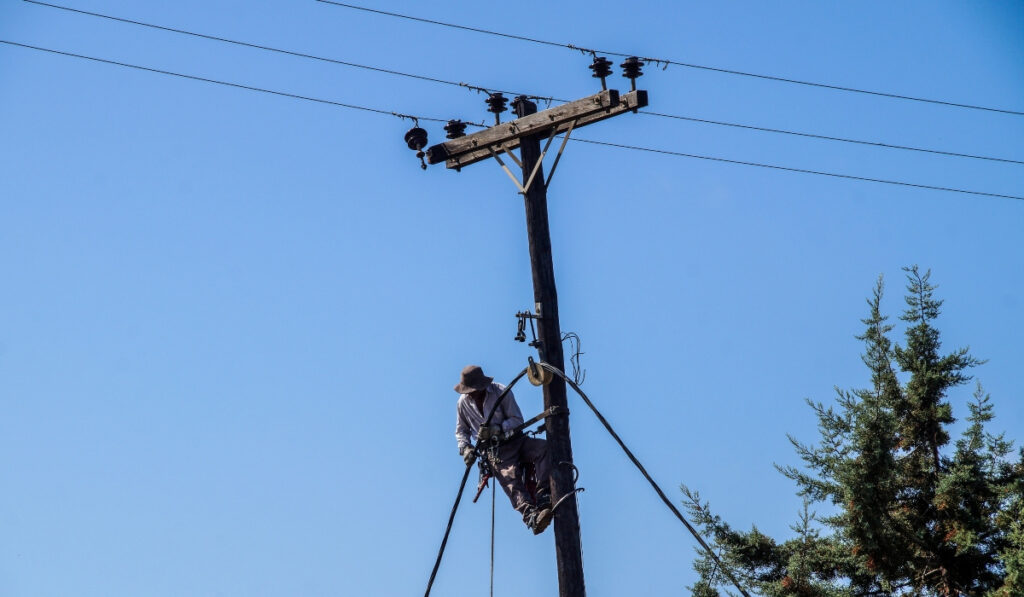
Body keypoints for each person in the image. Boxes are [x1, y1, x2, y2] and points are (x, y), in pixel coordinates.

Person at [454, 364, 553, 534]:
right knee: (510, 478)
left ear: (482, 386)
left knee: (544, 449)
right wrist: (466, 449)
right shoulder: (463, 403)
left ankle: (544, 496)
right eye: (468, 391)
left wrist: (497, 429)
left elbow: (517, 419)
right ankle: (531, 516)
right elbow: (461, 430)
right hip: (495, 452)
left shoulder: (500, 391)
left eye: (473, 390)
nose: (471, 394)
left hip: (517, 440)